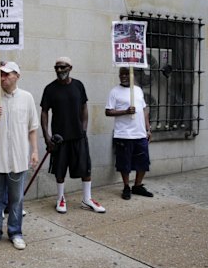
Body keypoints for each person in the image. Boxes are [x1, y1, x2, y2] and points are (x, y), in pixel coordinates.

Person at [0, 61, 39, 250]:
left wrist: (35, 151)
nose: (3, 78)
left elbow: (32, 128)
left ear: (17, 76)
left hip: (19, 157)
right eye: (1, 75)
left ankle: (16, 232)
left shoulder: (27, 98)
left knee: (17, 199)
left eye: (7, 74)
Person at [40, 57, 106, 214]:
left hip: (78, 136)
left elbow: (84, 107)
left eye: (62, 67)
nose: (59, 70)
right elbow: (44, 112)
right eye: (56, 67)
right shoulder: (50, 89)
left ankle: (87, 199)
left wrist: (84, 129)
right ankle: (60, 198)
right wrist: (47, 137)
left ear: (70, 68)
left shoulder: (78, 85)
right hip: (59, 138)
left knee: (85, 169)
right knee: (60, 170)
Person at [105, 67, 154, 200]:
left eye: (127, 74)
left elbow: (144, 110)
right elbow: (108, 111)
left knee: (143, 162)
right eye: (122, 74)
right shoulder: (115, 91)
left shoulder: (137, 90)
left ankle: (137, 186)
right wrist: (125, 112)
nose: (124, 77)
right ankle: (126, 186)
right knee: (124, 163)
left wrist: (148, 129)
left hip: (140, 133)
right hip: (124, 133)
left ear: (132, 75)